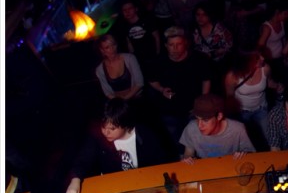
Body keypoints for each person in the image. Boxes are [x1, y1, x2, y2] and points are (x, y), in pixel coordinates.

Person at [65, 99, 169, 193]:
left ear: (125, 124)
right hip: (114, 189)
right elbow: (83, 160)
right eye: (103, 127)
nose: (106, 132)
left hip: (144, 185)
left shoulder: (146, 135)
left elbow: (161, 165)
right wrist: (75, 181)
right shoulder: (99, 138)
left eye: (112, 129)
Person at [148, 26, 212, 155]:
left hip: (193, 109)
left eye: (179, 44)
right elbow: (152, 80)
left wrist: (201, 104)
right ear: (166, 45)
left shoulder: (199, 59)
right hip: (170, 111)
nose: (175, 48)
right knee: (176, 138)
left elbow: (206, 80)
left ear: (185, 43)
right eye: (171, 45)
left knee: (198, 136)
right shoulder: (159, 62)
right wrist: (161, 89)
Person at [224, 50, 281, 151]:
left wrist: (279, 87)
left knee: (269, 137)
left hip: (262, 109)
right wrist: (234, 117)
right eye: (257, 58)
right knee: (245, 141)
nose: (263, 58)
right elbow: (230, 97)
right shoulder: (232, 77)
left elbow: (269, 83)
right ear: (246, 61)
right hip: (242, 112)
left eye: (261, 55)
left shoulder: (265, 68)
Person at [180, 93, 255, 162]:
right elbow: (188, 153)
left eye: (205, 120)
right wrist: (187, 159)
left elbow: (251, 155)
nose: (199, 125)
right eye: (197, 119)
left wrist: (243, 154)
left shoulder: (238, 129)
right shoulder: (191, 128)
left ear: (219, 116)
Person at [94, 33, 144, 101]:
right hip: (118, 103)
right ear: (102, 50)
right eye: (107, 47)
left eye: (113, 45)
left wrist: (125, 98)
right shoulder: (100, 70)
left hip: (136, 99)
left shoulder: (130, 58)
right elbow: (107, 92)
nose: (112, 49)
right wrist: (118, 102)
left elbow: (139, 83)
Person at [119, 0, 160, 74]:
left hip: (152, 55)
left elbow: (157, 37)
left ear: (136, 9)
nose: (127, 12)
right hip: (139, 59)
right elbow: (129, 42)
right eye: (124, 10)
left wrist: (158, 53)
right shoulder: (124, 26)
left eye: (130, 8)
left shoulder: (146, 20)